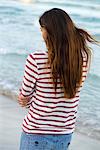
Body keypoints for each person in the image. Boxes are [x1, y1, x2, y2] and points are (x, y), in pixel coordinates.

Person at [18, 8, 97, 150]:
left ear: (49, 31)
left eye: (42, 29)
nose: (41, 34)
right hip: (65, 133)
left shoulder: (36, 59)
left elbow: (24, 96)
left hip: (36, 132)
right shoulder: (82, 58)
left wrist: (29, 100)